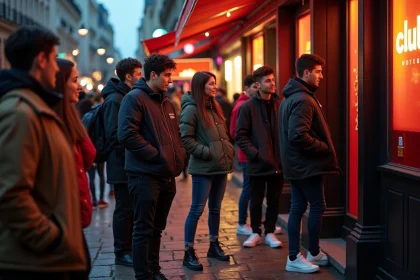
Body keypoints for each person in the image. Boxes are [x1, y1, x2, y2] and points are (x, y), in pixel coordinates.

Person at [0, 26, 88, 279]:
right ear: (41, 60)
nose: (55, 67)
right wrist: (52, 239)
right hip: (33, 263)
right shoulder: (20, 112)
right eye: (53, 58)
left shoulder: (35, 106)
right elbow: (10, 193)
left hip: (45, 259)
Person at [118, 54, 186, 280]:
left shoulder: (166, 101)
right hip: (144, 175)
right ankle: (144, 275)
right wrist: (157, 155)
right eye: (167, 75)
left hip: (166, 175)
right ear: (153, 75)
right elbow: (127, 134)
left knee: (157, 229)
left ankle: (155, 271)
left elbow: (175, 134)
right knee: (143, 229)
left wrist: (178, 156)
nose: (170, 80)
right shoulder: (134, 98)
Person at [279, 54, 340, 273]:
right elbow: (297, 135)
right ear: (306, 73)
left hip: (297, 165)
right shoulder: (303, 99)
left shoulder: (291, 97)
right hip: (306, 165)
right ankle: (306, 253)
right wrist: (323, 147)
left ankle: (300, 255)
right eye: (318, 71)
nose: (321, 76)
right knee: (316, 206)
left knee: (298, 208)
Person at [180, 72, 235, 271]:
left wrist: (227, 150)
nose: (215, 87)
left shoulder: (214, 107)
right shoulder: (192, 109)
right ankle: (188, 251)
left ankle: (214, 244)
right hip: (204, 168)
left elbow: (223, 136)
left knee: (216, 208)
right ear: (200, 86)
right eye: (211, 84)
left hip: (220, 166)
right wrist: (208, 152)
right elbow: (186, 139)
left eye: (215, 83)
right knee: (196, 209)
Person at [235, 66, 284, 249]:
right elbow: (240, 135)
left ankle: (270, 232)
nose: (272, 83)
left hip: (277, 162)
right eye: (268, 80)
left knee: (274, 199)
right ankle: (256, 231)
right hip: (256, 163)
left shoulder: (280, 104)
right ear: (257, 84)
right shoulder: (248, 106)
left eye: (273, 79)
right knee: (255, 199)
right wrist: (256, 154)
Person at [102, 57, 142, 267]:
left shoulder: (125, 97)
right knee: (124, 208)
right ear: (128, 77)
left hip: (128, 162)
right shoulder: (115, 100)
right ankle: (121, 251)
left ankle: (128, 248)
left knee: (130, 208)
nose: (141, 77)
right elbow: (114, 135)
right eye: (138, 74)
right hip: (120, 164)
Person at [54, 58, 96, 231]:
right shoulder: (53, 123)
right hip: (62, 222)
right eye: (74, 80)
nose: (80, 87)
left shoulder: (71, 116)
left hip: (74, 215)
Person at [229, 75, 258, 235]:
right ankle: (241, 222)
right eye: (254, 87)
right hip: (247, 156)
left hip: (252, 155)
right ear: (246, 87)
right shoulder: (242, 106)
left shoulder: (251, 104)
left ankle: (256, 222)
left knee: (254, 189)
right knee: (248, 189)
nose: (257, 90)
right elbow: (234, 132)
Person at [87, 94, 108, 209]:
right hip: (99, 150)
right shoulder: (100, 116)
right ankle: (100, 199)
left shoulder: (87, 115)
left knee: (92, 177)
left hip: (91, 149)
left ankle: (94, 200)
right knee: (101, 175)